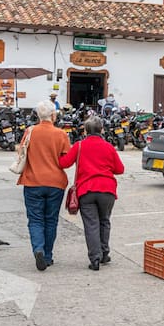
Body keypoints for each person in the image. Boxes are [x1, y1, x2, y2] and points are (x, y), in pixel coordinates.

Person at [59, 115, 124, 270]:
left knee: (91, 225)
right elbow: (120, 169)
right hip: (107, 189)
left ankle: (95, 258)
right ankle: (104, 253)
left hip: (86, 190)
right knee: (104, 221)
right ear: (102, 129)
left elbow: (64, 163)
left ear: (85, 131)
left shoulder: (79, 146)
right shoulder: (108, 146)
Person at [16, 99, 71, 271]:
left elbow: (21, 152)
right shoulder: (61, 134)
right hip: (55, 183)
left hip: (32, 181)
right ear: (53, 115)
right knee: (51, 220)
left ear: (39, 116)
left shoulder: (30, 132)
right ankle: (47, 256)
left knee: (35, 219)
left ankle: (38, 249)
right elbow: (65, 162)